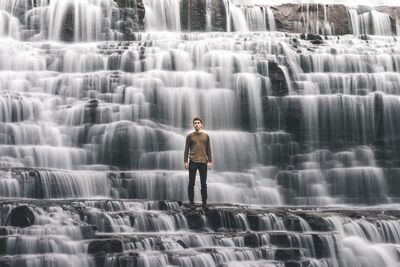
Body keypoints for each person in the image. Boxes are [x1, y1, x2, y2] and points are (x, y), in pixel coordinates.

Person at [184, 117, 212, 209]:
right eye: (195, 123)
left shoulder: (206, 136)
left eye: (198, 123)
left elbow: (209, 149)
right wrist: (185, 161)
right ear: (193, 125)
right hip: (193, 161)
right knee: (191, 183)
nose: (196, 124)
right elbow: (186, 149)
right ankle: (191, 202)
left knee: (203, 183)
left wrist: (209, 161)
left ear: (201, 124)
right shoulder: (189, 136)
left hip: (203, 162)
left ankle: (204, 203)